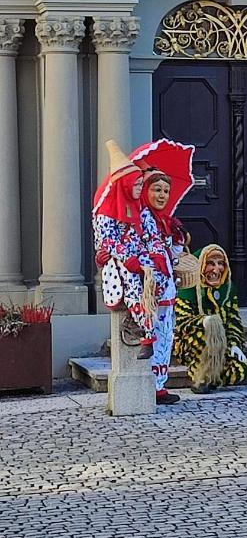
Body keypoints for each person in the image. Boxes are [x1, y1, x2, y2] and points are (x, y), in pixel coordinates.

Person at [92, 141, 158, 369]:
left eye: (141, 183)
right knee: (132, 288)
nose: (140, 188)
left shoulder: (141, 209)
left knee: (154, 281)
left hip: (140, 258)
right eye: (136, 184)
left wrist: (155, 257)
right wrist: (126, 257)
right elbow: (107, 241)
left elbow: (151, 235)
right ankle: (147, 333)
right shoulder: (106, 212)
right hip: (121, 262)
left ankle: (151, 328)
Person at [174, 245, 247, 393]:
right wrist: (204, 322)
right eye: (210, 263)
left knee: (240, 369)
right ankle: (201, 378)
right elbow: (181, 323)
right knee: (205, 334)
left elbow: (234, 322)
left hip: (222, 344)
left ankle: (215, 375)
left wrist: (235, 344)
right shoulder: (188, 289)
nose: (216, 270)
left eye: (220, 263)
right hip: (194, 343)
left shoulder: (227, 289)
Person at [139, 169, 187, 404]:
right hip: (153, 288)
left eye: (166, 191)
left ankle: (160, 384)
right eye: (157, 189)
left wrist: (177, 241)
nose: (162, 195)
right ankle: (153, 385)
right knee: (157, 336)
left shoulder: (164, 219)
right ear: (146, 191)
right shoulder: (143, 217)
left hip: (167, 286)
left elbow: (170, 254)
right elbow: (147, 251)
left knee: (166, 336)